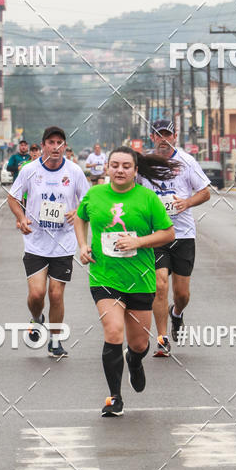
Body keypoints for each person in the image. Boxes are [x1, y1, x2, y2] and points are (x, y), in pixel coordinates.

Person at [75, 147, 176, 417]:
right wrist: (83, 246)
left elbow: (168, 233)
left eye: (126, 166)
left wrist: (138, 242)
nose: (120, 170)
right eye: (115, 165)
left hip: (140, 279)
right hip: (104, 276)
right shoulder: (95, 194)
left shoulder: (147, 198)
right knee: (113, 332)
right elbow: (80, 217)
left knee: (139, 344)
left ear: (135, 170)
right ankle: (115, 397)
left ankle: (134, 361)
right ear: (107, 168)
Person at [8, 126, 89, 357]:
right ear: (43, 145)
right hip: (35, 241)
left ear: (64, 146)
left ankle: (55, 340)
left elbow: (87, 201)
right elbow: (13, 197)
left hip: (64, 242)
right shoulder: (29, 170)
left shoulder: (74, 171)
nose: (55, 147)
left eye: (60, 143)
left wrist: (77, 211)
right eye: (51, 142)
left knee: (55, 294)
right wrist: (21, 217)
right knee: (36, 294)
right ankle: (37, 319)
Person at [138, 120, 210, 357]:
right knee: (160, 285)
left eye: (167, 135)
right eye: (159, 135)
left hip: (183, 234)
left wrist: (186, 202)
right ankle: (162, 339)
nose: (163, 139)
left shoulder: (187, 162)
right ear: (152, 137)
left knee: (182, 294)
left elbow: (205, 192)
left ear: (175, 137)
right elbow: (130, 191)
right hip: (156, 235)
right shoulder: (144, 164)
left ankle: (176, 313)